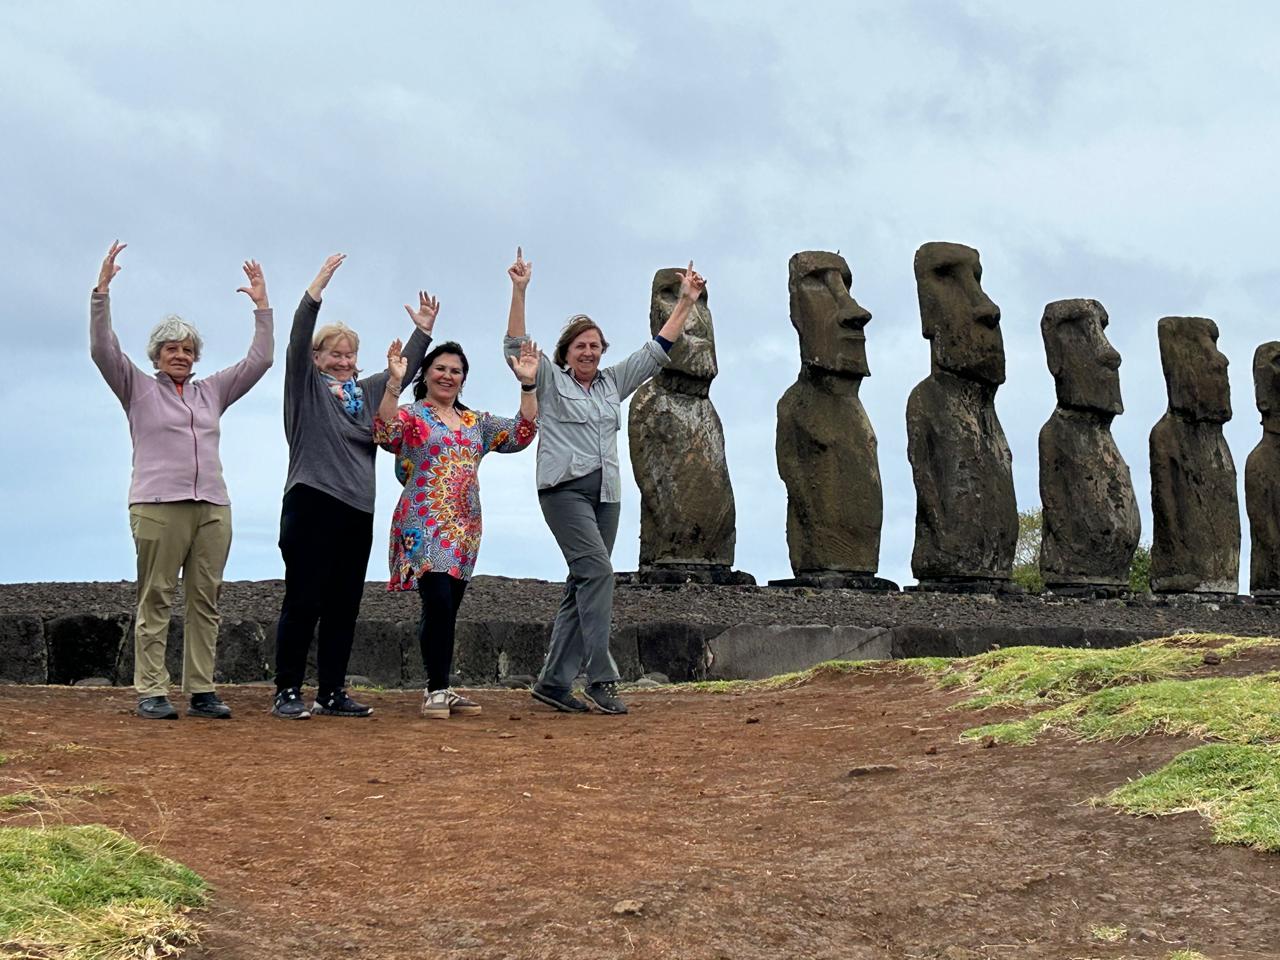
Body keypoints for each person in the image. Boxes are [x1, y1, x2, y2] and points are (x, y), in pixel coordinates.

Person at [503, 248, 705, 714]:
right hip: (564, 491)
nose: (589, 352)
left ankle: (553, 682)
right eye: (581, 346)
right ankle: (600, 677)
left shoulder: (613, 383)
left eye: (595, 346)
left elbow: (657, 350)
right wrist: (519, 290)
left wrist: (685, 301)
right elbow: (516, 348)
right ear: (566, 353)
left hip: (607, 496)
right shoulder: (551, 380)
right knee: (598, 573)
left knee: (584, 582)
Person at [89, 240, 274, 720]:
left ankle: (201, 689)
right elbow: (103, 350)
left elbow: (259, 361)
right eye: (172, 348)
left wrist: (261, 307)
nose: (181, 355)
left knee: (205, 600)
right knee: (155, 598)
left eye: (188, 350)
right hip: (157, 505)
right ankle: (151, 690)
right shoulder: (136, 388)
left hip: (212, 506)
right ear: (156, 354)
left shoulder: (211, 391)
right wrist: (101, 293)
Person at [272, 254, 432, 719]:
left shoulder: (367, 393)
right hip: (311, 501)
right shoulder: (305, 386)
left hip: (357, 509)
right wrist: (316, 290)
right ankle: (287, 690)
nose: (343, 362)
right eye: (334, 354)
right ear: (317, 358)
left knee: (344, 605)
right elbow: (297, 337)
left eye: (349, 355)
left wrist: (423, 330)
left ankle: (331, 692)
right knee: (304, 600)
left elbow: (405, 371)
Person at [374, 317, 539, 719]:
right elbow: (385, 432)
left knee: (447, 608)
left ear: (464, 379)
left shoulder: (475, 423)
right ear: (426, 374)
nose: (448, 376)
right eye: (440, 368)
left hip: (464, 527)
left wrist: (528, 385)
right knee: (438, 602)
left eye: (456, 371)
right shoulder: (413, 415)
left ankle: (440, 687)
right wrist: (393, 382)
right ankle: (436, 689)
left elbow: (522, 432)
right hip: (422, 521)